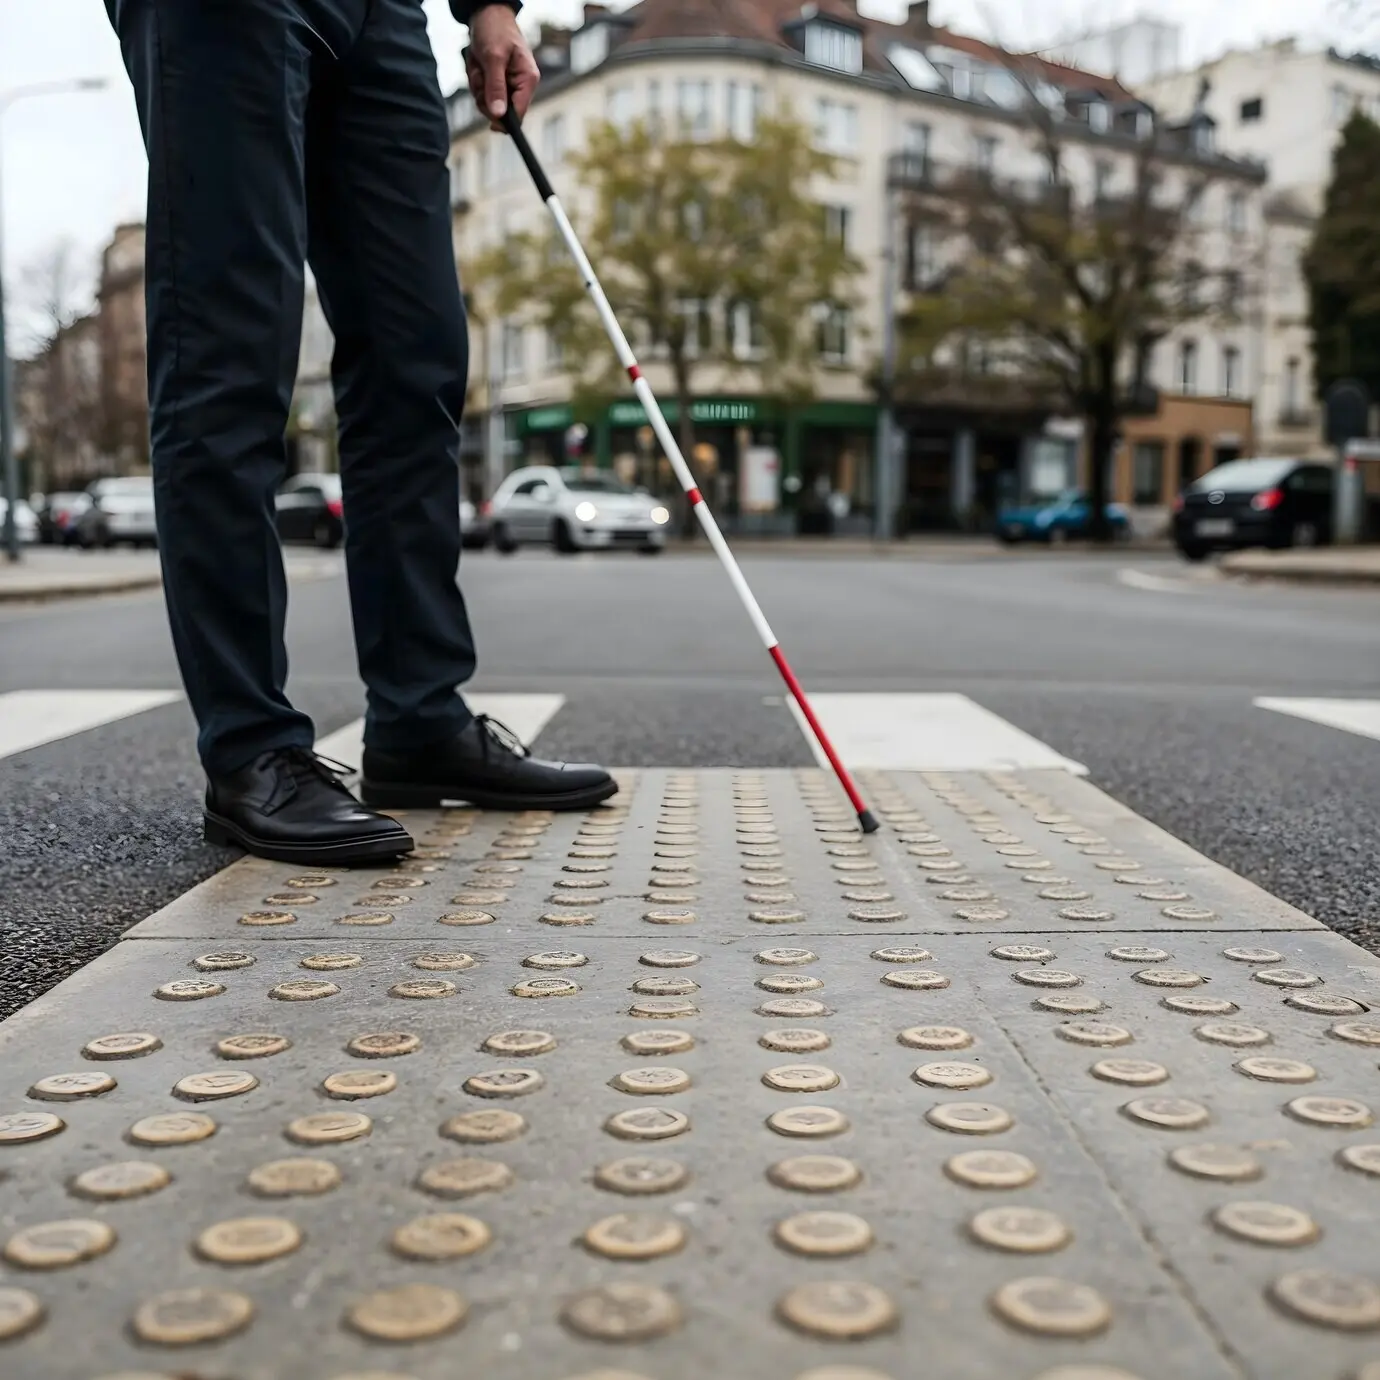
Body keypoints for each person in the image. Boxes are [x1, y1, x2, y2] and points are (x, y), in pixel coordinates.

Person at [103, 0, 614, 865]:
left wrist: (491, 6)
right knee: (230, 343)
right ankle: (249, 749)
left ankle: (419, 722)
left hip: (383, 17)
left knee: (418, 355)